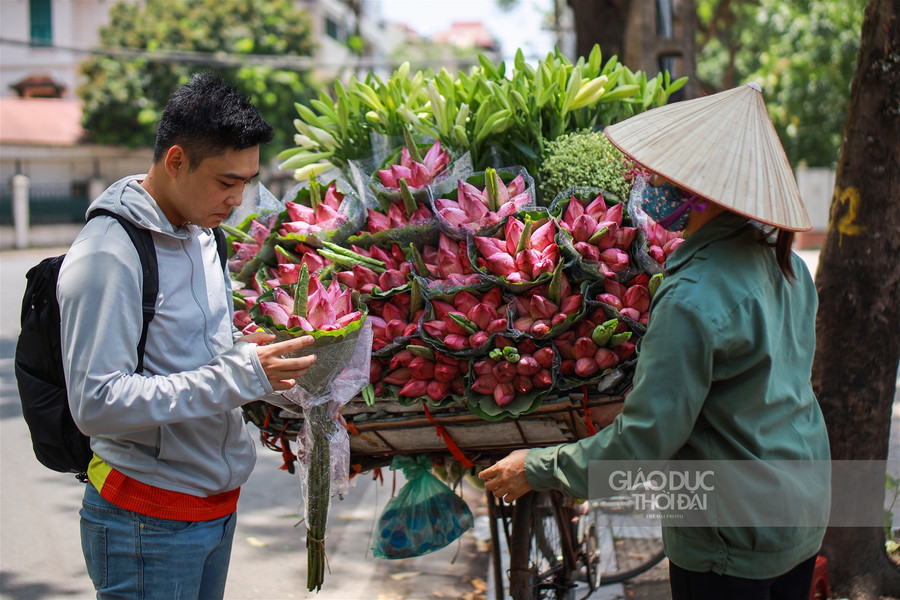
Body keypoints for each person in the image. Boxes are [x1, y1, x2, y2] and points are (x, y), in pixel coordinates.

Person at [479, 83, 830, 600]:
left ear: (698, 189)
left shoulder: (693, 297)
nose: (643, 181)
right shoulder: (789, 267)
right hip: (800, 506)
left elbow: (643, 446)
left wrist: (537, 467)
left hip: (732, 537)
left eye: (660, 175)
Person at [57, 72, 317, 599]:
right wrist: (241, 374)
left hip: (213, 513)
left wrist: (277, 375)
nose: (239, 200)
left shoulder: (205, 238)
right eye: (226, 182)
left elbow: (211, 358)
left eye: (247, 181)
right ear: (175, 161)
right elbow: (97, 402)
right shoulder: (108, 254)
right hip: (145, 525)